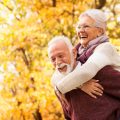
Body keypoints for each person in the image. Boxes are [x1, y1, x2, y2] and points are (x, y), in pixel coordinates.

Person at [52, 9, 120, 99]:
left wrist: (60, 88)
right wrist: (81, 84)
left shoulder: (106, 48)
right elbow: (55, 77)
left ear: (100, 31)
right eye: (79, 27)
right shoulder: (76, 51)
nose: (81, 31)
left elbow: (87, 71)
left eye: (86, 26)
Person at [48, 36, 120, 120]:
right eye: (53, 59)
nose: (58, 62)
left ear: (74, 53)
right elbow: (68, 116)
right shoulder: (60, 87)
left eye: (61, 56)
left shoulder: (99, 72)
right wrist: (81, 84)